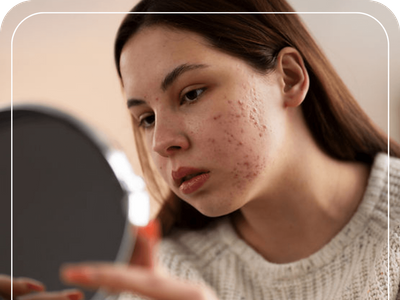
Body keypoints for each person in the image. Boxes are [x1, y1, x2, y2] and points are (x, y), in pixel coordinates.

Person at [60, 0, 400, 299]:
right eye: (146, 118)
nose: (161, 142)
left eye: (191, 94)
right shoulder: (162, 279)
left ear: (290, 78)